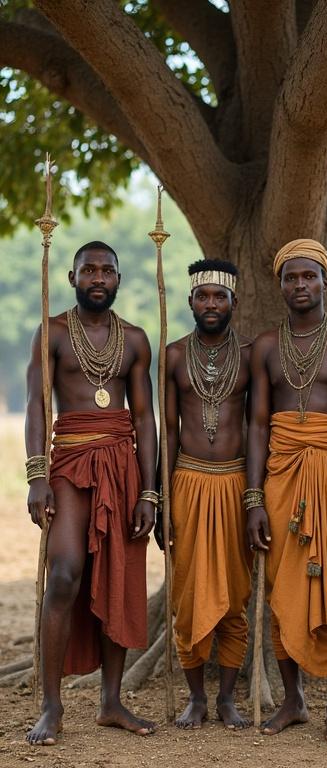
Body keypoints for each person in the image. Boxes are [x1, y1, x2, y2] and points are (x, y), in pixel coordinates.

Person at [25, 242, 157, 746]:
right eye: (88, 270)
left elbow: (145, 419)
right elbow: (37, 406)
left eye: (107, 270)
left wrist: (150, 491)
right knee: (64, 573)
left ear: (120, 279)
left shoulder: (137, 340)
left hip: (123, 465)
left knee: (117, 578)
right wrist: (37, 474)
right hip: (69, 464)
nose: (97, 277)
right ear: (71, 277)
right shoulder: (52, 332)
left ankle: (111, 701)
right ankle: (51, 706)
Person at [246, 239, 327, 741]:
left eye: (308, 277)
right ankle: (294, 699)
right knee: (281, 586)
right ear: (280, 285)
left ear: (325, 281)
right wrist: (254, 499)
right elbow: (257, 426)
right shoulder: (266, 346)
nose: (300, 285)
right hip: (280, 478)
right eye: (290, 278)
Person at [155, 260, 252, 729]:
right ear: (190, 301)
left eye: (220, 297)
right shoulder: (173, 355)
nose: (211, 304)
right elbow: (167, 432)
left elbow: (257, 429)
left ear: (234, 302)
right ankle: (196, 697)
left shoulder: (251, 356)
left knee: (235, 593)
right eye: (203, 297)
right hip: (187, 482)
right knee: (188, 594)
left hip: (235, 484)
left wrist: (255, 498)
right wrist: (161, 498)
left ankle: (228, 698)